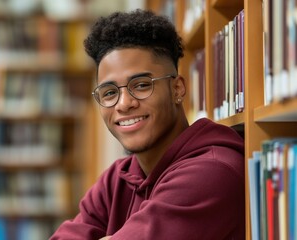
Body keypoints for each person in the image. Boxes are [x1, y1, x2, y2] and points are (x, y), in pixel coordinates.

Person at [50, 9, 245, 240]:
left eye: (142, 85)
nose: (124, 104)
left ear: (177, 89)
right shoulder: (118, 178)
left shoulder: (214, 172)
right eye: (109, 92)